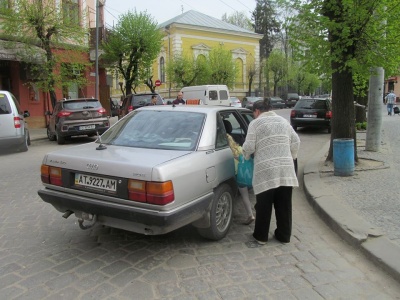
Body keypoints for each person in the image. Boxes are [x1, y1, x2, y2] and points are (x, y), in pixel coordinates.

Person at [242, 99, 300, 245]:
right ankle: (284, 236)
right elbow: (296, 141)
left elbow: (248, 146)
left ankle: (261, 237)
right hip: (285, 169)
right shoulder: (283, 121)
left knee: (264, 205)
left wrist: (246, 155)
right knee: (284, 205)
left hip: (265, 170)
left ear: (256, 111)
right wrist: (291, 156)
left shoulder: (255, 123)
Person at [223, 120, 255, 225]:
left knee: (241, 195)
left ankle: (249, 214)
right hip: (242, 172)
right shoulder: (231, 140)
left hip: (234, 173)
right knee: (245, 194)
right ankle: (251, 214)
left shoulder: (222, 140)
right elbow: (243, 153)